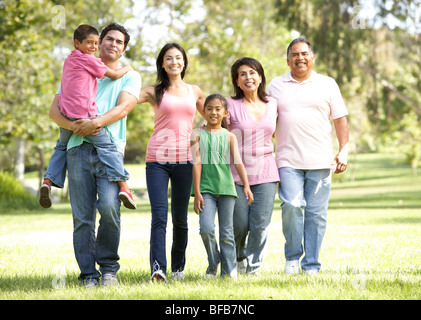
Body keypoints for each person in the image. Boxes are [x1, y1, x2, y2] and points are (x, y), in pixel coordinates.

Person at [48, 23, 141, 287]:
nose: (113, 44)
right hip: (77, 149)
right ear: (98, 43)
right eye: (108, 39)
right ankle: (88, 274)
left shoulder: (129, 76)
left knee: (110, 207)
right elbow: (55, 111)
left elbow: (123, 108)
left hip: (110, 149)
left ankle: (109, 269)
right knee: (82, 217)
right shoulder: (75, 66)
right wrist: (77, 127)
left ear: (124, 48)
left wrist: (95, 123)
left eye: (119, 42)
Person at [266, 38, 349, 274]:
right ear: (287, 59)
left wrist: (343, 150)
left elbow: (340, 120)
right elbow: (266, 120)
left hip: (321, 161)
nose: (299, 58)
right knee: (292, 205)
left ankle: (311, 264)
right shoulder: (275, 86)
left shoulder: (327, 84)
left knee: (316, 214)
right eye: (294, 54)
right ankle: (292, 258)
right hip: (287, 159)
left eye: (304, 53)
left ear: (312, 58)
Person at [39, 24, 136, 210]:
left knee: (60, 147)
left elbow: (124, 107)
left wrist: (70, 125)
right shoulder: (91, 61)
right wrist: (128, 67)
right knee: (108, 147)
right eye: (90, 43)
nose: (93, 46)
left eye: (95, 43)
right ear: (78, 43)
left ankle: (48, 181)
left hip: (67, 115)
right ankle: (124, 186)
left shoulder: (70, 60)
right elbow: (115, 75)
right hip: (85, 118)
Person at [138, 43, 205, 283]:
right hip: (157, 159)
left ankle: (177, 268)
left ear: (184, 62)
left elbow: (215, 114)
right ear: (162, 64)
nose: (174, 62)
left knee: (180, 219)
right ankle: (158, 268)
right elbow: (122, 102)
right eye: (169, 58)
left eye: (178, 58)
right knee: (159, 216)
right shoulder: (153, 91)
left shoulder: (194, 91)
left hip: (185, 160)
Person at [226, 57, 279, 275]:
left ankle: (253, 268)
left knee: (260, 224)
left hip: (266, 169)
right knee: (239, 224)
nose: (248, 77)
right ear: (237, 81)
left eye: (252, 72)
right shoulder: (230, 105)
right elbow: (220, 133)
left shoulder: (273, 104)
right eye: (243, 74)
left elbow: (277, 132)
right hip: (236, 172)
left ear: (260, 77)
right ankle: (239, 256)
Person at [191, 94, 254, 279]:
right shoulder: (196, 134)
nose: (213, 112)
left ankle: (229, 272)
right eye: (209, 108)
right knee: (206, 229)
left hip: (227, 189)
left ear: (225, 113)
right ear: (204, 111)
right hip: (206, 190)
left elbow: (238, 162)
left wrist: (246, 186)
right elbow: (196, 163)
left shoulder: (229, 136)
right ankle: (213, 262)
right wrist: (197, 192)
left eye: (218, 109)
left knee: (227, 232)